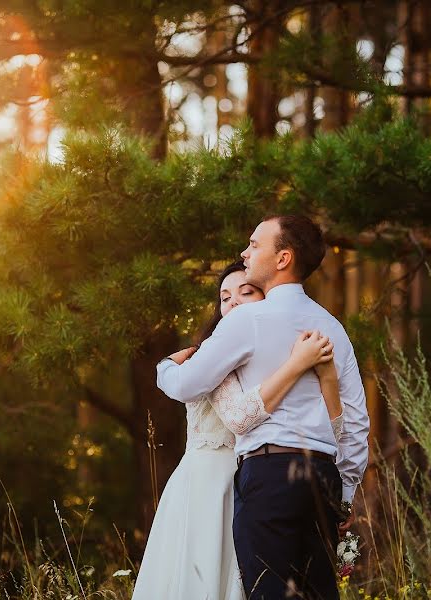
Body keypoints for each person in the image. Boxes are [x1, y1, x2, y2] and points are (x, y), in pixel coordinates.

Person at [158, 214, 371, 599]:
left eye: (255, 244)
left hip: (269, 473)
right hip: (323, 477)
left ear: (283, 258)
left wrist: (166, 369)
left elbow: (188, 385)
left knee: (269, 591)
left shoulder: (246, 322)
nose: (246, 251)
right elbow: (355, 423)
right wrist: (344, 495)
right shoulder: (333, 328)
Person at [132, 260, 344, 600]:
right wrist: (166, 367)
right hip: (208, 486)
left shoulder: (284, 348)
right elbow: (237, 416)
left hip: (256, 480)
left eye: (246, 292)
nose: (232, 303)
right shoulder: (216, 353)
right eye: (224, 296)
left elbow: (331, 420)